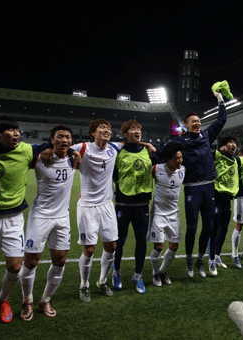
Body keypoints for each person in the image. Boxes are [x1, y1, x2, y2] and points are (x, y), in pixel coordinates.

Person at [0, 116, 79, 331]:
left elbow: (50, 146)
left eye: (17, 130)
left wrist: (70, 151)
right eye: (11, 131)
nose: (16, 134)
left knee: (15, 266)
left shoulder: (27, 150)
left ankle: (4, 299)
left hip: (15, 216)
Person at [155, 87, 229, 278]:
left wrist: (220, 100)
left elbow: (221, 120)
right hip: (192, 189)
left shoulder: (206, 135)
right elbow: (160, 153)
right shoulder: (181, 141)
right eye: (193, 122)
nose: (197, 123)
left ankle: (200, 260)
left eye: (198, 121)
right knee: (193, 227)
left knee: (209, 227)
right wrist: (148, 150)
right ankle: (189, 261)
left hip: (209, 187)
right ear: (186, 125)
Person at [19, 125, 76, 321]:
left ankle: (45, 299)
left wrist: (74, 151)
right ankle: (27, 301)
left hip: (62, 218)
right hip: (40, 216)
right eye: (60, 137)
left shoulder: (73, 158)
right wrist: (43, 147)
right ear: (52, 139)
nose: (64, 141)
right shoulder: (41, 157)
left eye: (67, 137)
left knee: (60, 260)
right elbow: (22, 149)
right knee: (31, 261)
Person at [70, 119, 124, 302]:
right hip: (87, 206)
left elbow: (130, 143)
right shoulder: (83, 147)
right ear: (93, 132)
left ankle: (102, 281)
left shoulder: (114, 148)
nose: (107, 130)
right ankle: (84, 284)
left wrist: (147, 144)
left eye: (108, 128)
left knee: (112, 246)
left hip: (107, 204)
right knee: (90, 249)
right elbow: (62, 147)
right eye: (102, 128)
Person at [111, 120, 156, 294]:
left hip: (142, 204)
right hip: (124, 203)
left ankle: (138, 276)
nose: (137, 131)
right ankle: (116, 272)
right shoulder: (118, 152)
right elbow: (113, 175)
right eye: (133, 129)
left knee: (141, 241)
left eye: (139, 128)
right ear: (125, 133)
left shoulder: (148, 151)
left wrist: (150, 146)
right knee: (120, 241)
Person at [149, 142, 185, 286]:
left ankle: (162, 271)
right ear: (168, 159)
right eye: (176, 158)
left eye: (181, 157)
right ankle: (154, 273)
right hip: (158, 212)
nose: (180, 161)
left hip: (173, 214)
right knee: (158, 247)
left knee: (174, 246)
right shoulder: (156, 169)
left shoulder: (183, 170)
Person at [208, 134, 239, 276]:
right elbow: (205, 152)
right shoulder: (216, 155)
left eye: (234, 143)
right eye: (230, 143)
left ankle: (217, 255)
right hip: (216, 198)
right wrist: (218, 151)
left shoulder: (235, 160)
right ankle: (211, 260)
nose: (233, 145)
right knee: (214, 230)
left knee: (224, 229)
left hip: (228, 199)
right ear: (223, 145)